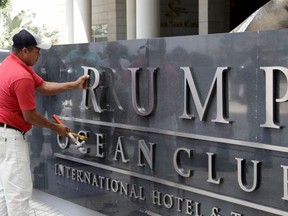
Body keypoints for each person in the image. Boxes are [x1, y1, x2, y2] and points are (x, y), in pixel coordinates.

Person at [0, 29, 89, 215]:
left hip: (3, 136)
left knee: (4, 192)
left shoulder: (8, 65)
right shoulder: (21, 75)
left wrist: (74, 84)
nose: (39, 55)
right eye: (37, 51)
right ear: (25, 51)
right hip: (11, 139)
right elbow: (30, 116)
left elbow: (44, 86)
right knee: (19, 194)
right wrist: (56, 127)